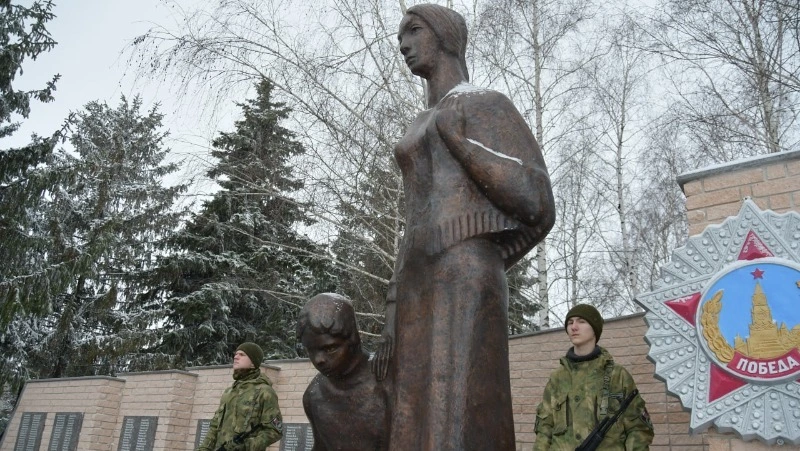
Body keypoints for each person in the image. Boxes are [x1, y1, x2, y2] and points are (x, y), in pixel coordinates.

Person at [370, 4, 555, 450]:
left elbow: (537, 199)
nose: (403, 44)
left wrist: (461, 143)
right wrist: (393, 310)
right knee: (408, 415)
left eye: (413, 30)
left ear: (446, 35)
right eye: (400, 35)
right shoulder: (418, 122)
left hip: (464, 270)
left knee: (457, 411)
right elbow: (414, 215)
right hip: (416, 278)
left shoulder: (484, 103)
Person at [533, 304, 654, 451]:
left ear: (594, 329)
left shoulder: (617, 376)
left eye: (581, 321)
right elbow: (544, 430)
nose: (574, 327)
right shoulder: (557, 378)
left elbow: (637, 429)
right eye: (570, 323)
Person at [297, 293, 389, 451]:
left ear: (353, 339)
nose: (319, 360)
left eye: (330, 348)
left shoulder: (387, 378)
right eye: (311, 350)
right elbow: (321, 447)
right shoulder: (314, 395)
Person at [198, 342, 283, 451]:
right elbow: (214, 427)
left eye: (242, 355)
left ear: (253, 363)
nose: (236, 357)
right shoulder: (229, 392)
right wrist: (204, 448)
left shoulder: (264, 392)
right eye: (236, 354)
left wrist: (246, 445)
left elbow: (274, 431)